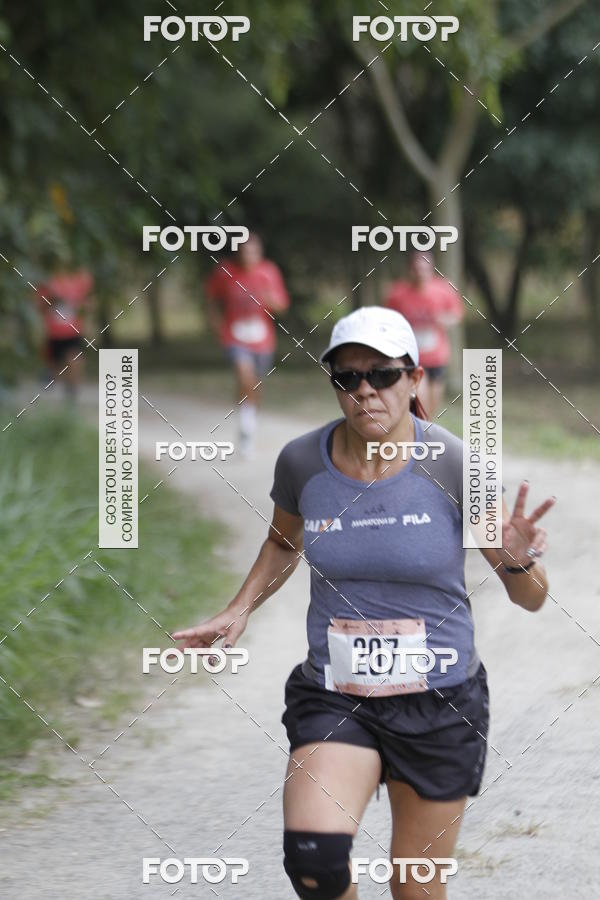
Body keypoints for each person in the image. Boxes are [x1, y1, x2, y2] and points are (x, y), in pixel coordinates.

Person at [173, 306, 555, 900]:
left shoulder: (456, 464)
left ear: (415, 379)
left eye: (382, 375)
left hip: (439, 700)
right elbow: (282, 542)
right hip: (336, 693)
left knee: (415, 888)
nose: (364, 391)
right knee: (314, 861)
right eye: (347, 378)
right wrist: (240, 605)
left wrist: (517, 557)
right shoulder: (303, 462)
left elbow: (529, 599)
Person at [205, 232, 290, 457]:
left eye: (252, 251)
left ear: (259, 252)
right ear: (237, 252)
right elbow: (211, 300)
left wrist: (271, 299)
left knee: (254, 384)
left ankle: (248, 419)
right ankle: (245, 424)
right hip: (235, 336)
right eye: (244, 251)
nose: (248, 255)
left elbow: (282, 305)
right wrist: (218, 327)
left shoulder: (268, 272)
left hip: (262, 338)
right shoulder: (225, 272)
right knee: (244, 374)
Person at [384, 249, 464, 417]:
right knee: (421, 402)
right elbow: (387, 318)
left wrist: (445, 320)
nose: (421, 273)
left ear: (431, 268)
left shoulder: (443, 289)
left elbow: (457, 313)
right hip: (412, 356)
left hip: (437, 355)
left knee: (432, 408)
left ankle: (423, 433)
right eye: (417, 268)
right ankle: (415, 434)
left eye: (425, 268)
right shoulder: (398, 293)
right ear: (411, 270)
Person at [36, 265, 94, 401]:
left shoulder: (81, 278)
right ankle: (51, 376)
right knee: (56, 370)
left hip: (73, 332)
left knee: (75, 361)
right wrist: (52, 300)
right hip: (54, 334)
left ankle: (71, 397)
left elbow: (89, 303)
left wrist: (82, 306)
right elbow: (39, 306)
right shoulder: (46, 280)